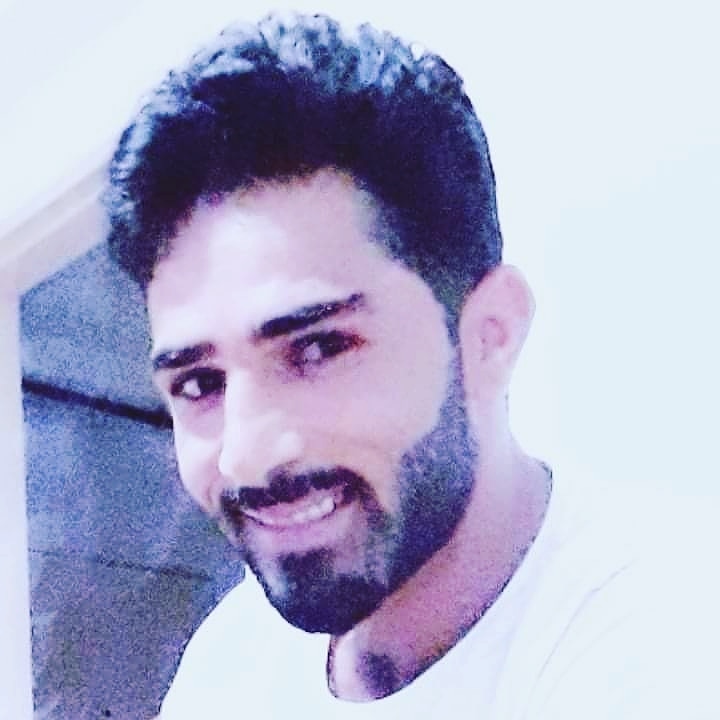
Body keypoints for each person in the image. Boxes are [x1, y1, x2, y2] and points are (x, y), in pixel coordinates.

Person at [104, 12, 719, 719]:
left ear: (490, 337)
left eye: (317, 349)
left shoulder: (666, 636)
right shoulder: (229, 668)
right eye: (199, 384)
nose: (245, 456)